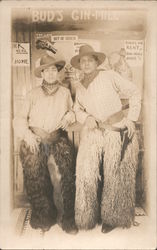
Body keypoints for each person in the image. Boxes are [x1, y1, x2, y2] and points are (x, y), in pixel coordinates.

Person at [70, 45, 141, 233]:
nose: (85, 64)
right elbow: (77, 109)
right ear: (80, 65)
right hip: (94, 132)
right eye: (82, 61)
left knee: (114, 175)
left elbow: (134, 91)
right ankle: (86, 217)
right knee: (86, 173)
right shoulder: (79, 86)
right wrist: (87, 118)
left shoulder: (109, 75)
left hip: (115, 130)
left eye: (89, 60)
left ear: (96, 62)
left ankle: (112, 217)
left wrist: (132, 119)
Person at [13, 54, 77, 234]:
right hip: (35, 138)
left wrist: (70, 115)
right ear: (42, 73)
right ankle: (43, 218)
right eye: (46, 70)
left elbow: (73, 111)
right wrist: (28, 135)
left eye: (53, 70)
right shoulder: (32, 93)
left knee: (63, 178)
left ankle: (67, 219)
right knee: (36, 178)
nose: (50, 73)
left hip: (57, 138)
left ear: (57, 72)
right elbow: (19, 118)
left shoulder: (65, 92)